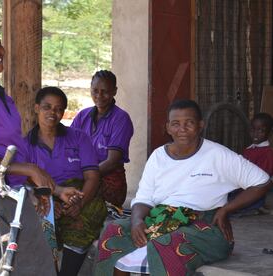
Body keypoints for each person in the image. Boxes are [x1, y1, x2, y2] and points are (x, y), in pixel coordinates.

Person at [95, 99, 272, 276]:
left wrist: (226, 209)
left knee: (168, 244)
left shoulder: (218, 154)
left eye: (189, 123)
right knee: (113, 231)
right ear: (168, 127)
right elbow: (144, 198)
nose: (182, 129)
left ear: (200, 125)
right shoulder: (158, 157)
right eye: (176, 124)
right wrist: (137, 222)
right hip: (160, 219)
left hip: (203, 224)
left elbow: (262, 181)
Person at [0, 25, 79, 275]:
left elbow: (10, 148)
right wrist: (29, 169)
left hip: (9, 184)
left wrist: (38, 187)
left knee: (35, 250)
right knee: (37, 261)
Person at [25, 86, 108, 276]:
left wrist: (80, 202)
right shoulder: (25, 144)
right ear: (37, 108)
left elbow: (92, 177)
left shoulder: (79, 138)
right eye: (47, 107)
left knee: (83, 220)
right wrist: (51, 201)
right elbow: (26, 183)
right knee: (39, 226)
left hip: (80, 193)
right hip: (45, 196)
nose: (53, 113)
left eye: (58, 108)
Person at [71, 70, 134, 207]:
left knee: (76, 203)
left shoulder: (121, 119)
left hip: (109, 182)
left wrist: (85, 177)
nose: (99, 96)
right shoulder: (83, 116)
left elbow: (111, 161)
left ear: (114, 91)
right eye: (95, 91)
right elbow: (68, 147)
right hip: (83, 176)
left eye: (105, 91)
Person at [231, 112, 273, 214]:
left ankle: (256, 207)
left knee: (234, 205)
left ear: (269, 132)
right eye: (253, 130)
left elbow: (263, 178)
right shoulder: (249, 150)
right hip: (244, 185)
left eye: (261, 130)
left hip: (255, 190)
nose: (255, 133)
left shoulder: (267, 153)